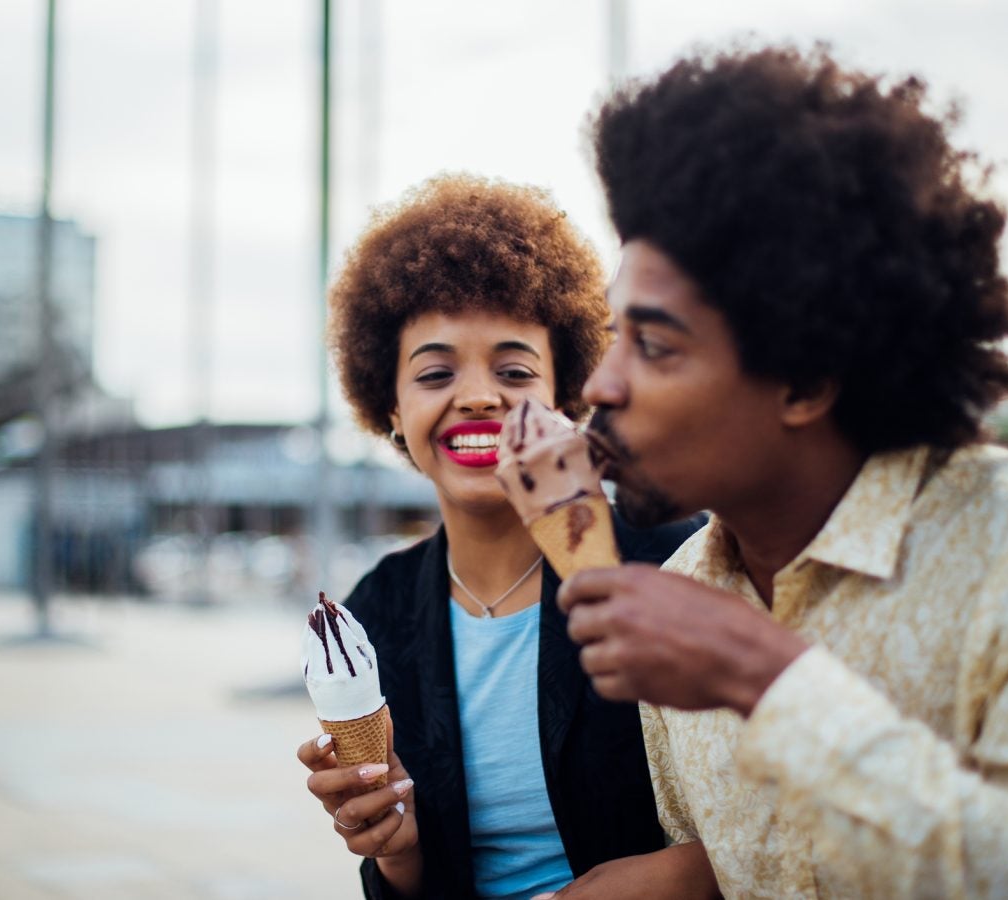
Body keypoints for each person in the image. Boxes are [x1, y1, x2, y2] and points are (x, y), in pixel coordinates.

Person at [546, 44, 1008, 898]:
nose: (600, 386)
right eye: (612, 338)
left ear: (806, 378)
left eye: (654, 345)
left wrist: (766, 677)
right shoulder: (686, 590)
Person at [295, 174, 705, 900]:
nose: (479, 395)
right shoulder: (379, 610)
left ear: (565, 396)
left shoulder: (676, 561)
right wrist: (396, 848)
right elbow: (408, 886)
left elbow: (769, 819)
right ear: (392, 407)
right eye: (436, 372)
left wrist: (666, 880)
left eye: (514, 370)